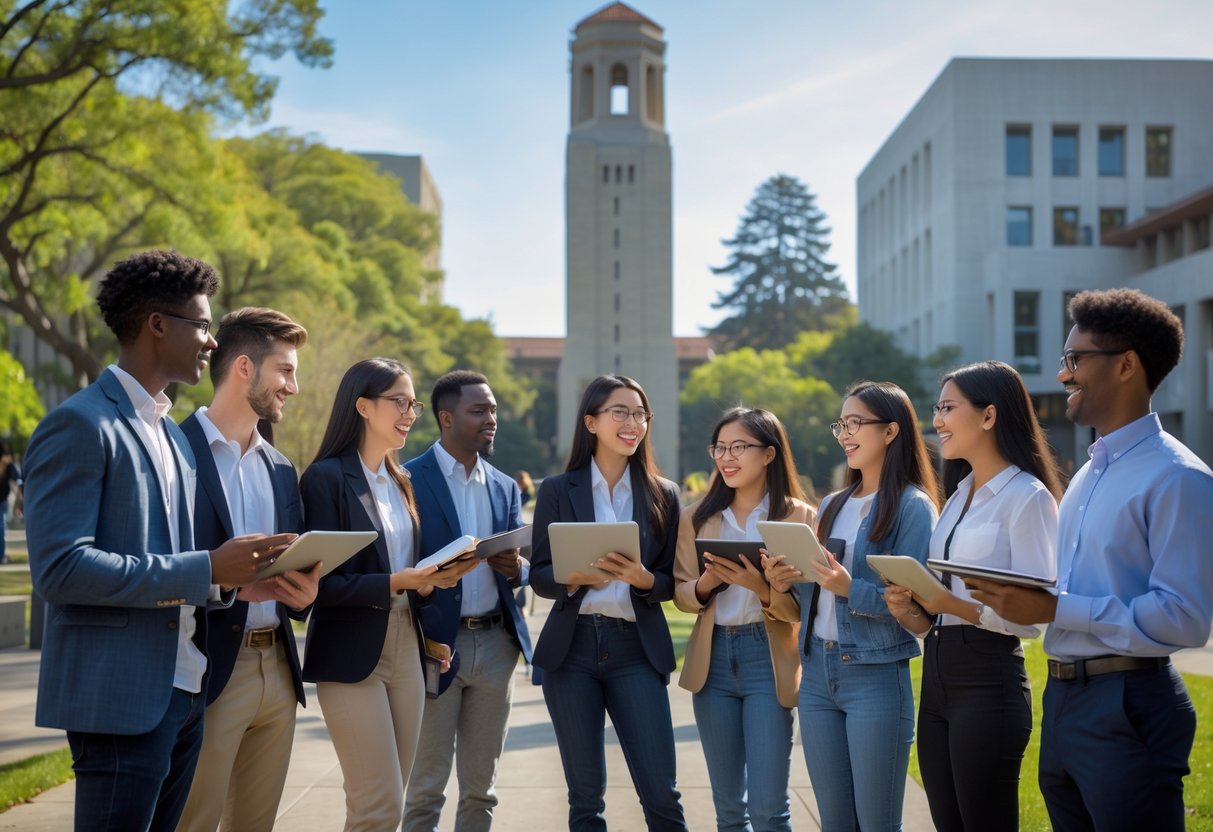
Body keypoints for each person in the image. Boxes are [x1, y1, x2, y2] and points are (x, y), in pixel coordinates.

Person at [23, 250, 294, 831]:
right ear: (157, 325)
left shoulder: (171, 434)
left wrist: (230, 582)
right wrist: (208, 568)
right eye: (202, 325)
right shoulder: (80, 424)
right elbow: (61, 569)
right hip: (120, 698)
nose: (211, 342)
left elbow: (176, 562)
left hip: (186, 689)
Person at [969, 289, 1213, 832]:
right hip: (1064, 699)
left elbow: (1186, 619)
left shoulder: (1179, 478)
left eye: (1075, 359)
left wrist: (1057, 608)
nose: (1063, 375)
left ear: (1126, 365)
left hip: (1128, 703)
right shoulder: (1086, 475)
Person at [299, 358, 478, 831]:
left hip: (407, 650)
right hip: (351, 653)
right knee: (377, 805)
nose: (410, 414)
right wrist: (397, 582)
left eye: (413, 404)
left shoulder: (402, 482)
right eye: (399, 402)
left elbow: (408, 574)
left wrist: (430, 587)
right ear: (363, 406)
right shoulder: (325, 479)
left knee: (388, 804)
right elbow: (318, 588)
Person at [882, 361, 1061, 831]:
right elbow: (940, 613)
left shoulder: (1028, 497)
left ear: (988, 415)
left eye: (948, 408)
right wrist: (912, 611)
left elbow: (1033, 618)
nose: (937, 420)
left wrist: (952, 606)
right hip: (938, 674)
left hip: (988, 681)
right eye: (937, 408)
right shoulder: (958, 495)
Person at [765, 380, 939, 832]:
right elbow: (818, 593)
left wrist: (849, 588)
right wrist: (784, 582)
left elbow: (916, 603)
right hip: (816, 676)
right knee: (836, 823)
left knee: (877, 823)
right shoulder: (830, 505)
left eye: (855, 423)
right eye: (840, 424)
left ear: (891, 431)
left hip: (875, 676)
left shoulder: (913, 507)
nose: (844, 434)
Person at [177, 308, 319, 832]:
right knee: (192, 821)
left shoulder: (281, 468)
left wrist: (304, 596)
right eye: (285, 370)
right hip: (206, 668)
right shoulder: (175, 451)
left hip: (278, 669)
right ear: (243, 367)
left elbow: (291, 569)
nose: (293, 387)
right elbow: (158, 565)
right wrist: (230, 586)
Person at [530, 374, 687, 831]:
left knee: (662, 793)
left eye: (640, 414)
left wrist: (642, 579)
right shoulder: (558, 490)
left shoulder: (664, 494)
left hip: (635, 648)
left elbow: (670, 582)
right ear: (591, 422)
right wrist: (570, 579)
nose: (632, 423)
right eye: (620, 412)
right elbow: (539, 575)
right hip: (572, 650)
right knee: (585, 798)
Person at [402, 370, 533, 832]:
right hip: (434, 647)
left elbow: (522, 571)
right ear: (446, 417)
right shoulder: (406, 479)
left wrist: (515, 568)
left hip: (497, 647)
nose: (491, 419)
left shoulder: (504, 486)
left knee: (482, 790)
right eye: (479, 411)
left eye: (493, 410)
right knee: (425, 788)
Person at [673, 407, 814, 832]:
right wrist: (705, 584)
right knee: (730, 811)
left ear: (769, 454)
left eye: (739, 447)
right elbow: (681, 594)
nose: (726, 457)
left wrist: (762, 588)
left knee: (770, 810)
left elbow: (807, 606)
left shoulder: (801, 517)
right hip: (713, 661)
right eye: (719, 448)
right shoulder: (695, 518)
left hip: (767, 660)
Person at [0, 441, 22, 565]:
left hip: (2, 501)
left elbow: (19, 480)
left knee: (1, 527)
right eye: (6, 455)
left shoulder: (10, 467)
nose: (9, 458)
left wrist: (20, 501)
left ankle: (1, 556)